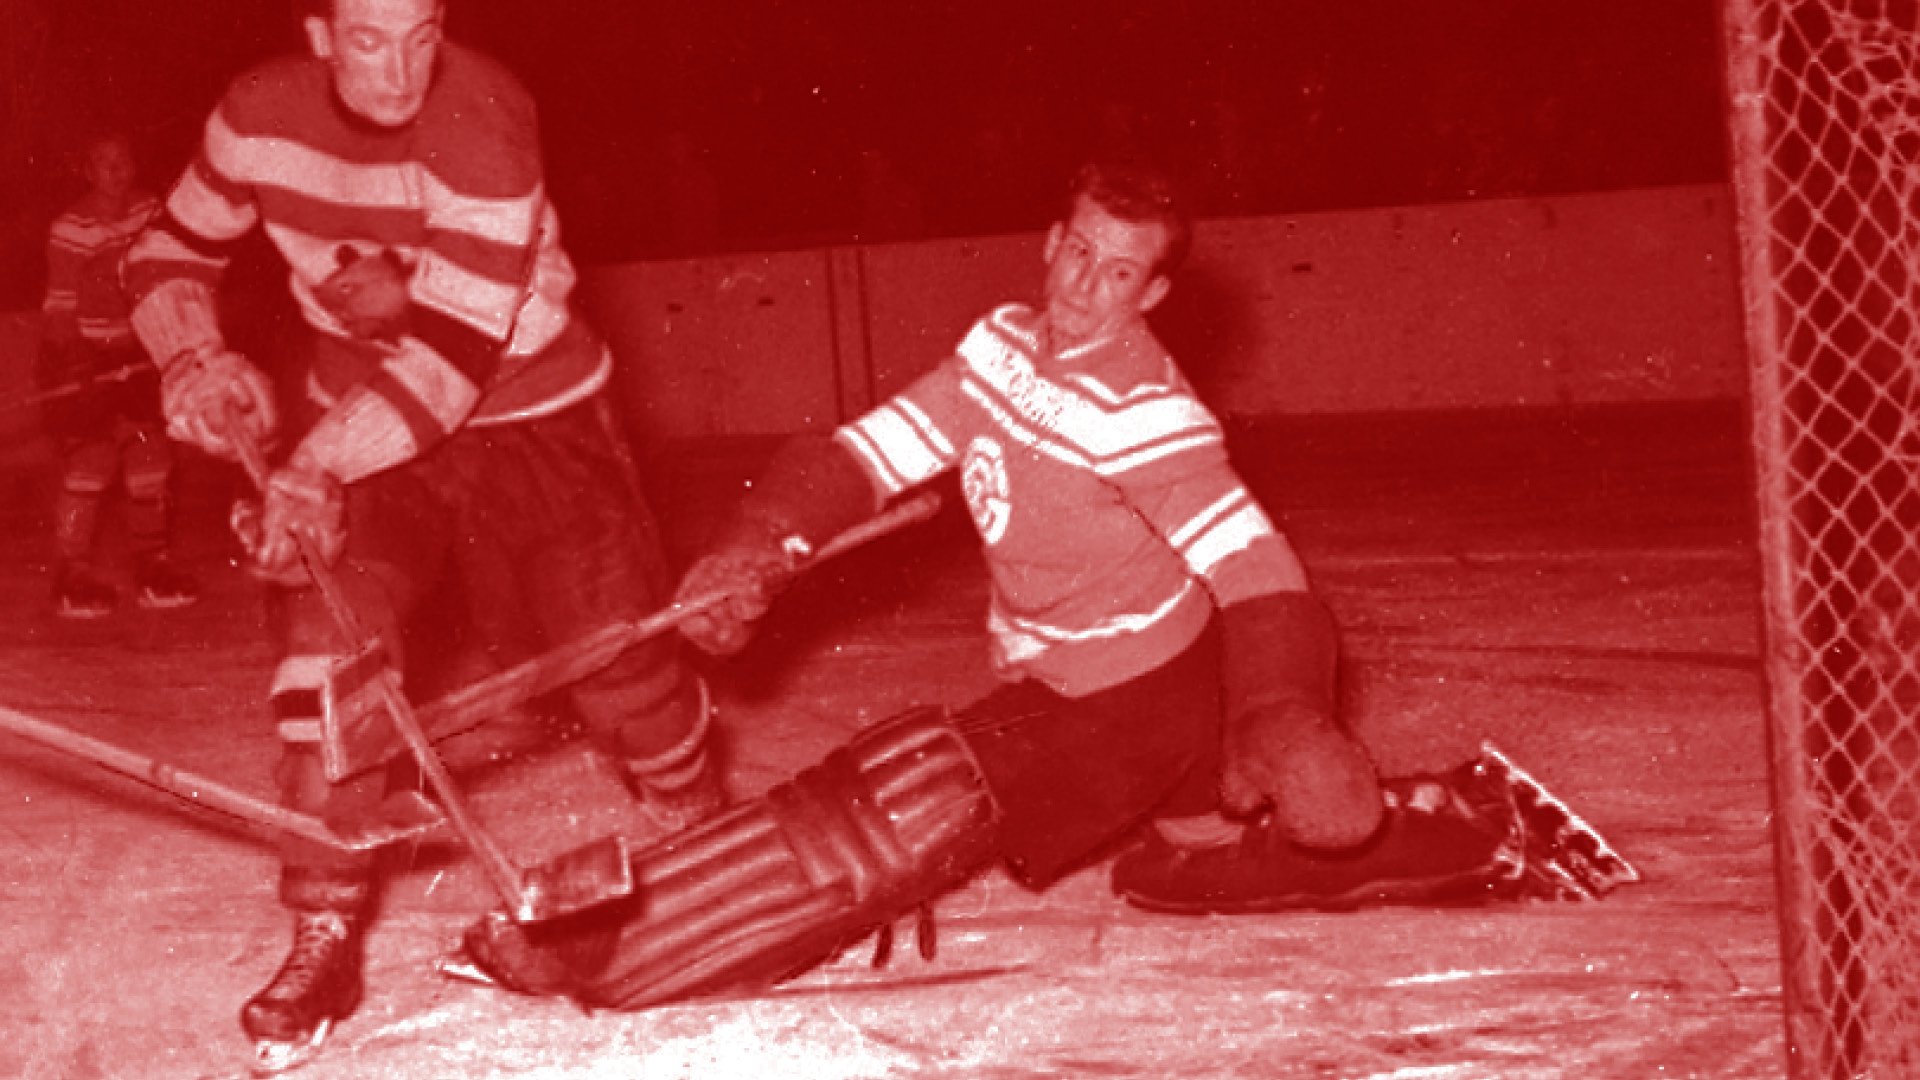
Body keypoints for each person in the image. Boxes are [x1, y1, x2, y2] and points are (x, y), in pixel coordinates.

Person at [451, 159, 1535, 1012]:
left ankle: (604, 945)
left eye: (1119, 274)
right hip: (1075, 667)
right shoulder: (1001, 347)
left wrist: (1285, 714)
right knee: (1175, 863)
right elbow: (874, 449)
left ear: (1153, 292)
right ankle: (1343, 836)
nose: (1084, 288)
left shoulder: (1150, 413)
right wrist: (764, 539)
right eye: (1079, 252)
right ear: (1054, 241)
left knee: (911, 791)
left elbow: (1255, 564)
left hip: (1130, 693)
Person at [122, 0, 720, 1070]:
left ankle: (703, 832)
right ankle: (323, 931)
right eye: (369, 39)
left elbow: (447, 358)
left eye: (422, 31)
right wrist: (193, 358)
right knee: (331, 670)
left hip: (533, 418)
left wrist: (313, 463)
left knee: (619, 670)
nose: (402, 71)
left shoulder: (484, 114)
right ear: (319, 34)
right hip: (362, 439)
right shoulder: (255, 114)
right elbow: (169, 249)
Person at [37, 131, 198, 618]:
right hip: (85, 355)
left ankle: (153, 563)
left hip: (141, 350)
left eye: (123, 161)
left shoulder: (149, 211)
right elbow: (60, 304)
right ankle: (72, 570)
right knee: (93, 459)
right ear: (87, 171)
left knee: (150, 456)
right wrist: (75, 361)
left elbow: (169, 274)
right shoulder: (71, 228)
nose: (115, 171)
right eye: (104, 162)